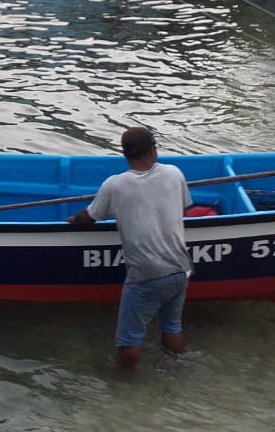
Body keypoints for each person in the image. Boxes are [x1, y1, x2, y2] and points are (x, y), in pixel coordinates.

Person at [67, 128, 193, 370]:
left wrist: (74, 220)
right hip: (181, 269)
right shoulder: (174, 173)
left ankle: (126, 383)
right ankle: (175, 369)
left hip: (146, 276)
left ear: (125, 154)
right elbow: (183, 209)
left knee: (129, 341)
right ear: (153, 150)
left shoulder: (115, 185)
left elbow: (89, 217)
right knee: (172, 326)